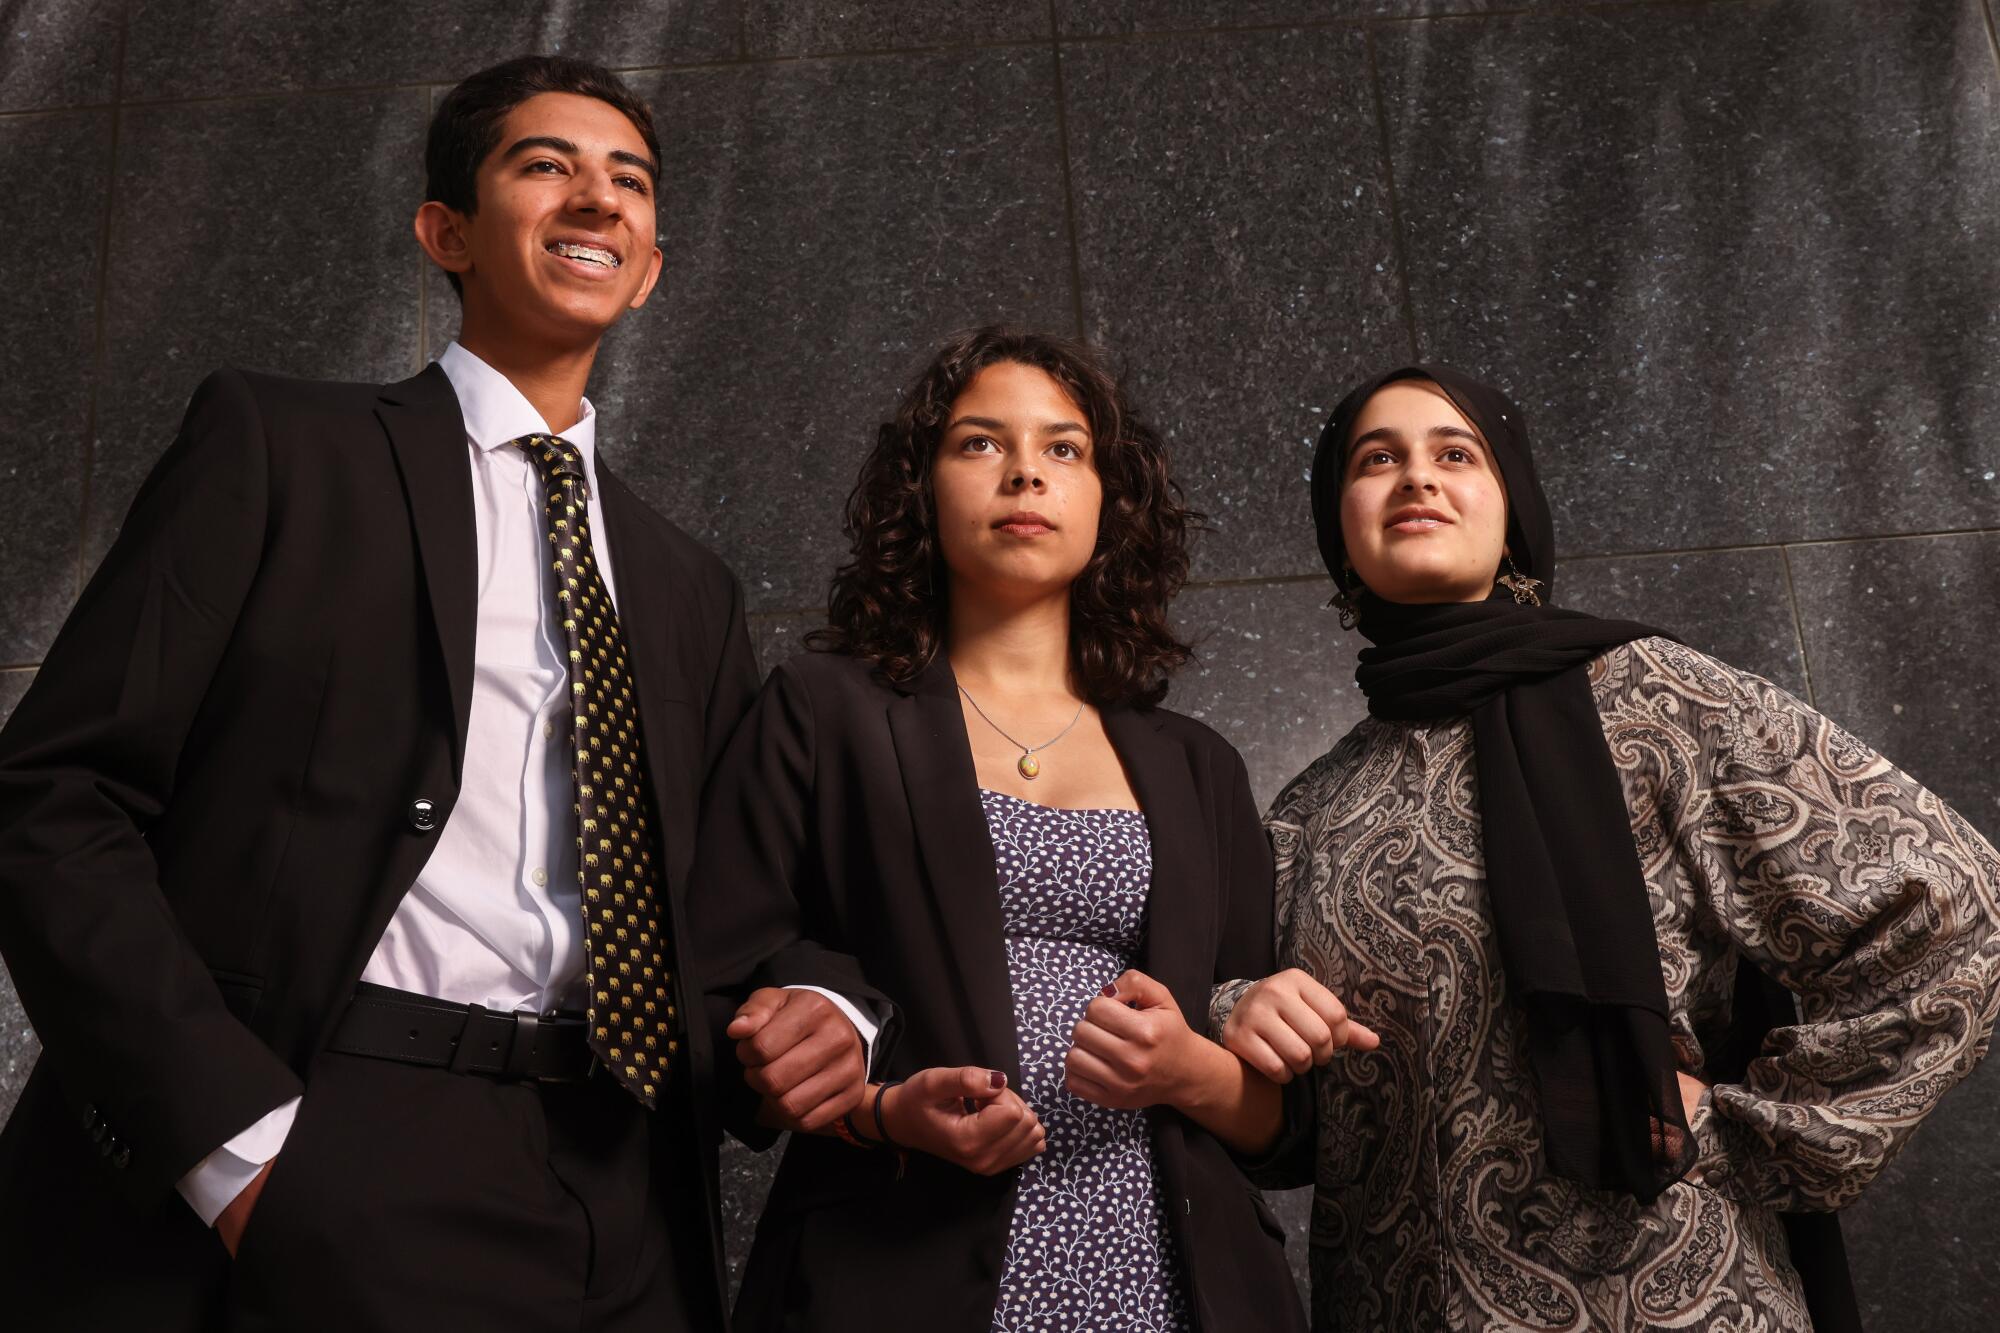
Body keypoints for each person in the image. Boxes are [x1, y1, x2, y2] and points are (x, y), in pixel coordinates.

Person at [0, 55, 878, 1332]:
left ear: (650, 267)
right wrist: (232, 1146)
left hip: (622, 1181)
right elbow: (51, 793)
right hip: (333, 1121)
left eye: (627, 183)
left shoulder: (691, 588)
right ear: (444, 232)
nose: (596, 201)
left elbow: (744, 902)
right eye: (546, 167)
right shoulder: (278, 448)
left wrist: (835, 1004)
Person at [1216, 365, 2000, 1332]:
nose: (1416, 477)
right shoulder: (1314, 807)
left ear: (1514, 508)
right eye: (1377, 460)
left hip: (1668, 1299)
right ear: (1340, 529)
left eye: (1455, 454)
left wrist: (1742, 1130)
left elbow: (1954, 907)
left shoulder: (1650, 701)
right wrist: (1234, 1012)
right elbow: (1299, 1134)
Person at [688, 327, 1339, 1332]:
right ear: (922, 490)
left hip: (1169, 1276)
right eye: (979, 443)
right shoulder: (822, 712)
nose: (1025, 470)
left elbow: (1276, 1122)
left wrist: (1186, 1066)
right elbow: (723, 1009)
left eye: (1063, 449)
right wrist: (879, 1110)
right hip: (892, 1262)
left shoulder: (1195, 764)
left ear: (1107, 504)